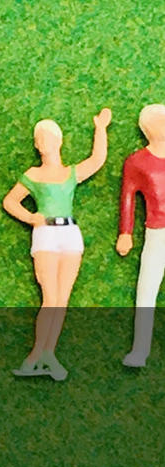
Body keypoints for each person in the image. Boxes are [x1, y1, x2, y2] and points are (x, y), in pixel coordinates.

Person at [3, 109, 111, 380]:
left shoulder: (70, 173)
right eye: (38, 139)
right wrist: (31, 217)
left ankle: (48, 354)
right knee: (50, 298)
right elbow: (10, 201)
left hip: (70, 234)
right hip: (46, 236)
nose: (42, 143)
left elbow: (97, 160)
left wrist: (100, 128)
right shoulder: (33, 174)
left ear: (59, 141)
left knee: (62, 300)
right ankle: (35, 356)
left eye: (47, 137)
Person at [116, 104, 165, 367]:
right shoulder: (137, 162)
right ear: (148, 128)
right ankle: (140, 349)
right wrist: (125, 232)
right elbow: (128, 197)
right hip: (157, 232)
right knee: (146, 289)